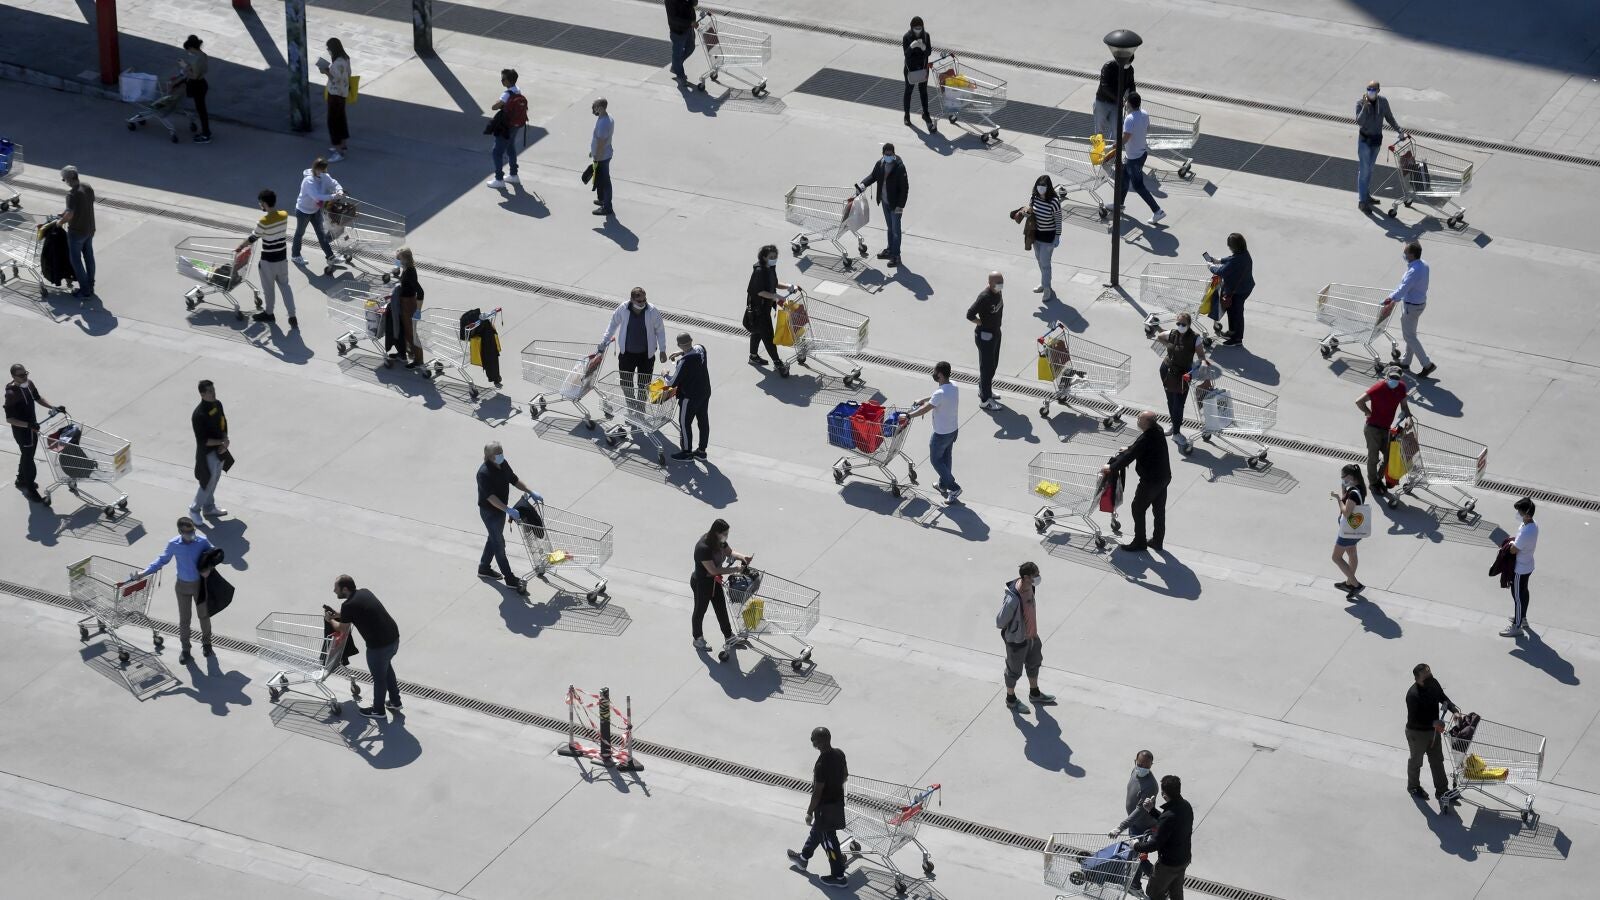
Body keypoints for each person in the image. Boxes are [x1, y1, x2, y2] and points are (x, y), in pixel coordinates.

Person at [135, 517, 218, 665]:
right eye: (187, 532)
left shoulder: (202, 541)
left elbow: (216, 555)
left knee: (203, 616)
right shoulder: (174, 544)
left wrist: (209, 569)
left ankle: (207, 644)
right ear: (180, 531)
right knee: (184, 619)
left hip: (199, 586)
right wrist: (144, 573)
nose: (191, 534)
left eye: (192, 531)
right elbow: (162, 560)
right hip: (182, 587)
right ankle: (185, 649)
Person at [326, 575, 401, 719]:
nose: (334, 591)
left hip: (379, 647)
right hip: (393, 639)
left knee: (379, 679)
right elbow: (354, 612)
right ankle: (395, 701)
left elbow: (343, 629)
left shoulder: (348, 605)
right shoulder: (364, 592)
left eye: (336, 588)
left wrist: (330, 620)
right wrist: (337, 615)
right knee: (386, 670)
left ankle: (378, 710)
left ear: (345, 589)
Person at [788, 726, 850, 887]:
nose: (812, 743)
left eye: (813, 740)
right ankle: (803, 859)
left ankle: (839, 877)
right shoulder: (839, 753)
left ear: (819, 742)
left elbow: (817, 792)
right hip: (837, 803)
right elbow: (845, 775)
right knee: (817, 831)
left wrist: (809, 812)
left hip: (825, 809)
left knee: (830, 842)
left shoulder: (821, 764)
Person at [1103, 411, 1170, 553]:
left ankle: (1140, 542)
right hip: (1163, 478)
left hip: (1151, 481)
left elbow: (1130, 456)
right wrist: (1129, 448)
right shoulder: (1157, 430)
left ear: (1147, 422)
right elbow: (1139, 448)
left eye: (1140, 418)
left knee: (1137, 508)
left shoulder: (1146, 438)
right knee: (1159, 511)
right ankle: (1157, 541)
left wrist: (1111, 468)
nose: (1137, 419)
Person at [996, 561, 1057, 714]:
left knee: (1034, 663)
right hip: (1017, 641)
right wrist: (1015, 630)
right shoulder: (1013, 599)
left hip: (1032, 636)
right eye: (1035, 575)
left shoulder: (1031, 587)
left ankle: (1034, 693)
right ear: (1026, 577)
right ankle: (1010, 699)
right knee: (1014, 671)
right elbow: (1000, 621)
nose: (1038, 577)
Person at [599, 287, 670, 415]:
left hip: (646, 356)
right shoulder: (623, 309)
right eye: (639, 301)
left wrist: (662, 350)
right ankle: (631, 405)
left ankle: (640, 409)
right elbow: (613, 324)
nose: (642, 303)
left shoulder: (652, 311)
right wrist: (604, 341)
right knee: (626, 383)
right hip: (627, 355)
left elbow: (660, 330)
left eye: (644, 300)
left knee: (644, 385)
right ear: (632, 300)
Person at [477, 441, 536, 588]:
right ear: (489, 456)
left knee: (493, 538)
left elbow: (514, 479)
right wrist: (508, 509)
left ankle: (484, 568)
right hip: (490, 513)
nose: (501, 455)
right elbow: (490, 497)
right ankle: (509, 578)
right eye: (498, 453)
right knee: (499, 544)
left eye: (501, 452)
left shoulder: (503, 464)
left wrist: (530, 491)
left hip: (501, 510)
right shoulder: (483, 473)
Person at [690, 518, 752, 651]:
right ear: (716, 532)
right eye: (724, 534)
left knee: (721, 609)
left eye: (727, 533)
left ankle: (729, 636)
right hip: (702, 583)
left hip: (714, 581)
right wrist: (735, 569)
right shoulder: (703, 548)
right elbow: (713, 570)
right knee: (700, 610)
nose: (726, 536)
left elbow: (730, 552)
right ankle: (697, 638)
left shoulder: (720, 541)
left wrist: (742, 557)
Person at [5, 364, 62, 504]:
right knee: (29, 458)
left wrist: (53, 407)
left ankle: (21, 479)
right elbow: (9, 419)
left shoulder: (29, 384)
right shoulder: (11, 394)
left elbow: (37, 397)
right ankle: (30, 488)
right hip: (22, 431)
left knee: (27, 454)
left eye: (25, 373)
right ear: (13, 377)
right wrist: (28, 425)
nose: (25, 377)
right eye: (21, 375)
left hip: (32, 428)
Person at [238, 189, 294, 328]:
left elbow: (253, 238)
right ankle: (292, 316)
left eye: (260, 203)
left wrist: (240, 247)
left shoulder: (263, 222)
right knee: (285, 287)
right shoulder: (284, 215)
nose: (260, 205)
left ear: (264, 203)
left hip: (268, 261)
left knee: (269, 289)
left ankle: (269, 313)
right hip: (282, 259)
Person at [1130, 775, 1193, 900]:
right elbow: (1170, 823)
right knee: (1176, 892)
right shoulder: (1186, 806)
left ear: (1164, 794)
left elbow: (1153, 845)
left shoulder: (1168, 816)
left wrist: (1136, 845)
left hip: (1168, 864)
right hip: (1183, 859)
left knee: (1154, 892)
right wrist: (1151, 810)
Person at [906, 361, 961, 503]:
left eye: (935, 372)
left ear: (940, 374)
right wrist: (923, 399)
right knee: (946, 458)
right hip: (952, 430)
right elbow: (935, 397)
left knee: (935, 460)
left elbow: (925, 409)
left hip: (941, 434)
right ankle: (943, 485)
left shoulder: (940, 393)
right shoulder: (953, 386)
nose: (934, 374)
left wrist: (908, 416)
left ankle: (954, 487)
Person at [1405, 663, 1460, 801]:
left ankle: (1442, 791)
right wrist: (1433, 723)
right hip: (1417, 733)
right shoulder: (1413, 695)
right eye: (1426, 675)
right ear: (1417, 679)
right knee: (1416, 761)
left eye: (1429, 673)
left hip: (1433, 731)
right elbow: (1415, 720)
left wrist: (1454, 710)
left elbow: (1442, 697)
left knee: (1437, 760)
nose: (1430, 676)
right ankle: (1413, 787)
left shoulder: (1433, 683)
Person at [1108, 750, 1159, 897]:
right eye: (1140, 764)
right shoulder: (1134, 771)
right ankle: (1134, 884)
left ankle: (1158, 882)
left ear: (1151, 765)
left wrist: (1120, 827)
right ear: (1135, 761)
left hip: (1144, 827)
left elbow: (1140, 810)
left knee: (1139, 858)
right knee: (1134, 857)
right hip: (1134, 824)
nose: (1142, 768)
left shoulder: (1151, 786)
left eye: (1146, 766)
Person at [1355, 366, 1411, 498]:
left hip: (1386, 429)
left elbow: (1404, 405)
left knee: (1389, 456)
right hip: (1372, 429)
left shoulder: (1401, 388)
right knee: (1373, 458)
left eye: (1397, 378)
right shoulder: (1379, 387)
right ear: (1387, 376)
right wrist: (1368, 412)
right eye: (1392, 377)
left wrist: (1408, 418)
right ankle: (1373, 483)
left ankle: (1379, 479)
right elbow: (1359, 401)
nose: (1394, 380)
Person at [1383, 241, 1434, 378]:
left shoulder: (1413, 271)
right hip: (1418, 304)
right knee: (1411, 335)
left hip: (1411, 307)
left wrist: (1390, 298)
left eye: (1405, 252)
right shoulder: (1423, 264)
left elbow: (1403, 288)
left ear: (1412, 254)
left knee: (1409, 336)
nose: (1404, 254)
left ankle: (1427, 364)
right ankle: (1406, 362)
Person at [1154, 313, 1206, 447]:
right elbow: (1159, 336)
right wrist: (1169, 345)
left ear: (1189, 324)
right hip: (1167, 370)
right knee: (1171, 400)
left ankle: (1176, 433)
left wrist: (1198, 366)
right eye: (1178, 323)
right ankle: (1174, 424)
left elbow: (1201, 356)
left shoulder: (1195, 338)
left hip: (1183, 374)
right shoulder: (1172, 333)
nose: (1180, 326)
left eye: (1183, 324)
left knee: (1179, 403)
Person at [1115, 93, 1165, 223]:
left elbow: (1126, 138)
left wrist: (1115, 145)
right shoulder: (1144, 114)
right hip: (1141, 154)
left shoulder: (1130, 119)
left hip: (1134, 159)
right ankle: (1119, 205)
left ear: (1129, 103)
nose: (1125, 103)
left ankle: (1157, 211)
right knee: (1124, 180)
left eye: (1126, 102)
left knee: (1138, 186)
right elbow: (1147, 129)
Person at [857, 143, 908, 268]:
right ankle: (890, 250)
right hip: (885, 202)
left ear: (894, 154)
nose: (888, 156)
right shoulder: (880, 164)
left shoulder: (899, 167)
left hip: (896, 205)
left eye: (890, 154)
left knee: (896, 231)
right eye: (886, 154)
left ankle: (896, 256)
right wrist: (863, 185)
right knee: (890, 228)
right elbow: (873, 176)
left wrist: (900, 206)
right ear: (883, 154)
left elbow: (905, 188)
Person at [1012, 175, 1061, 304]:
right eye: (1039, 186)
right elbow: (1030, 211)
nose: (1040, 189)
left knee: (1045, 263)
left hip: (1048, 238)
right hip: (1035, 236)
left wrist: (1057, 237)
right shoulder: (1034, 197)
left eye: (1043, 186)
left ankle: (1047, 288)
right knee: (1040, 260)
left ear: (1048, 187)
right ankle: (1044, 283)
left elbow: (1058, 220)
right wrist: (1026, 213)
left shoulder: (1054, 202)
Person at [745, 245, 793, 375]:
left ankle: (753, 356)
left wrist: (788, 286)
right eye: (771, 257)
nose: (774, 259)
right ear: (764, 257)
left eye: (775, 256)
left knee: (757, 332)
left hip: (764, 308)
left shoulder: (770, 267)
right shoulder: (759, 271)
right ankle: (778, 363)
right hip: (758, 310)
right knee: (768, 336)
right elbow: (760, 291)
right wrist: (776, 296)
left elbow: (774, 283)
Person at [1356, 81, 1402, 211]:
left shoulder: (1383, 102)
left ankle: (1366, 195)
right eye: (1368, 89)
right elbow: (1359, 122)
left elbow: (1390, 118)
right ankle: (1362, 201)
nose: (1370, 91)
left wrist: (1399, 130)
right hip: (1365, 141)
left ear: (1378, 91)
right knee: (1364, 171)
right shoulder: (1360, 103)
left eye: (1373, 89)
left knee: (1370, 170)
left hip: (1376, 141)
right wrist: (1365, 107)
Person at [665, 332, 711, 461]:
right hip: (704, 392)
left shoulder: (684, 362)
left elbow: (672, 383)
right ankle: (701, 451)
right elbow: (695, 348)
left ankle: (686, 452)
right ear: (691, 340)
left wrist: (665, 374)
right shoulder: (701, 350)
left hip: (689, 397)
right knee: (703, 421)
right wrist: (681, 352)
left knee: (685, 423)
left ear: (679, 344)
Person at [291, 158, 342, 267]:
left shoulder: (324, 176)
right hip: (303, 211)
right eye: (319, 169)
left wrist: (339, 190)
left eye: (323, 170)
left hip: (315, 211)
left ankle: (330, 257)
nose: (321, 172)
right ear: (314, 168)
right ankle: (295, 255)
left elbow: (334, 183)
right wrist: (333, 196)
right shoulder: (308, 181)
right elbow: (317, 197)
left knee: (321, 234)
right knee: (300, 233)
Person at [1202, 233, 1253, 345]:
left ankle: (1237, 339)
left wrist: (1211, 266)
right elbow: (1231, 259)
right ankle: (1232, 332)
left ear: (1234, 247)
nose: (1229, 248)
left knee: (1236, 313)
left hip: (1238, 292)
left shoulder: (1235, 261)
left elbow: (1221, 271)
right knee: (1232, 310)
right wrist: (1218, 260)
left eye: (1230, 246)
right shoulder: (1244, 253)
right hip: (1245, 287)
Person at [190, 379, 229, 520]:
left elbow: (223, 422)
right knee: (207, 481)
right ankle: (194, 509)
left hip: (220, 449)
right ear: (202, 394)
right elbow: (203, 441)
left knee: (215, 479)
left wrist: (225, 439)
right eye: (210, 391)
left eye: (213, 390)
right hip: (207, 453)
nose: (213, 393)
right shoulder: (198, 415)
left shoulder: (217, 404)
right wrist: (221, 442)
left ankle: (208, 508)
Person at [967, 272, 1004, 410]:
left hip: (996, 332)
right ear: (990, 283)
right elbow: (970, 314)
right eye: (998, 282)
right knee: (986, 368)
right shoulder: (984, 297)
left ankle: (984, 389)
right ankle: (985, 400)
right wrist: (981, 323)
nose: (1001, 284)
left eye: (1001, 281)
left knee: (993, 364)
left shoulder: (998, 292)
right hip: (985, 336)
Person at [1501, 497, 1538, 637]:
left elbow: (1513, 550)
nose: (1518, 514)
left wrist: (1510, 544)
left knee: (1517, 597)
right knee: (1524, 591)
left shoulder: (1526, 532)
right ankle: (1522, 618)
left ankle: (1516, 626)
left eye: (1520, 512)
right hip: (1528, 565)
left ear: (1527, 515)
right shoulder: (1533, 525)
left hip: (1519, 569)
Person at [1330, 463, 1369, 596]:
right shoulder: (1359, 489)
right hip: (1354, 530)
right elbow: (1349, 503)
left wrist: (1338, 499)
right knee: (1352, 553)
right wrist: (1343, 491)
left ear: (1351, 476)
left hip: (1347, 532)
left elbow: (1346, 512)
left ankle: (1356, 585)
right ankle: (1348, 583)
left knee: (1336, 557)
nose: (1342, 479)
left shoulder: (1353, 494)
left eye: (1343, 476)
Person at [58, 166, 96, 299]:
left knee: (76, 261)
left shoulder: (71, 194)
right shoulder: (87, 187)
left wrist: (60, 222)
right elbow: (84, 204)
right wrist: (63, 213)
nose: (64, 181)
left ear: (69, 179)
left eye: (64, 179)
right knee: (89, 257)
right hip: (90, 229)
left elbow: (70, 214)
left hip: (77, 232)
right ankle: (90, 285)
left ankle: (85, 291)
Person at [486, 69, 526, 189]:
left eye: (503, 79)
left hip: (506, 126)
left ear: (509, 81)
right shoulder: (517, 90)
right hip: (516, 124)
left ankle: (499, 179)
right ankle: (513, 175)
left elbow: (494, 107)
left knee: (496, 152)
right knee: (510, 147)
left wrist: (501, 103)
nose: (501, 81)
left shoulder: (506, 94)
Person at [317, 39, 353, 162]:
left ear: (333, 49)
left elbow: (335, 79)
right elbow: (348, 74)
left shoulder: (337, 63)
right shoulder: (346, 58)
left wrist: (325, 72)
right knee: (341, 120)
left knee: (333, 122)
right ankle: (343, 145)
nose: (328, 51)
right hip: (343, 93)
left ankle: (338, 151)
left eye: (328, 48)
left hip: (335, 95)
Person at [901, 16, 935, 132]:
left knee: (923, 91)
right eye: (916, 28)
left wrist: (923, 47)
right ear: (912, 27)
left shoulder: (926, 35)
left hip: (923, 68)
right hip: (910, 69)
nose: (918, 30)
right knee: (908, 91)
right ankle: (906, 115)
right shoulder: (906, 37)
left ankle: (926, 113)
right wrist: (912, 46)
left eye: (920, 28)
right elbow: (906, 54)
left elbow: (928, 52)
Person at [395, 247, 426, 370]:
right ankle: (410, 353)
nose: (397, 260)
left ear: (406, 259)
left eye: (399, 258)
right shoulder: (406, 269)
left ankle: (419, 360)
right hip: (404, 303)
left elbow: (420, 291)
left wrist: (418, 310)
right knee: (406, 332)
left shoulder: (410, 272)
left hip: (409, 304)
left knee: (412, 333)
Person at [1094, 52, 1136, 142]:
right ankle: (1098, 148)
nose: (1128, 65)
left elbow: (1131, 84)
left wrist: (1132, 97)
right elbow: (1104, 86)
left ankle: (1113, 149)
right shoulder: (1108, 66)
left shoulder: (1130, 69)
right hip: (1103, 101)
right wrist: (1119, 99)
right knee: (1099, 130)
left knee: (1117, 130)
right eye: (1127, 62)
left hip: (1117, 104)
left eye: (1129, 63)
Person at [181, 35, 212, 144]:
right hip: (203, 83)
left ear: (191, 48)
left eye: (188, 50)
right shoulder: (203, 55)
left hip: (197, 85)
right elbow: (203, 70)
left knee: (201, 111)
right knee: (202, 110)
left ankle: (206, 135)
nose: (188, 52)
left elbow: (194, 76)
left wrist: (185, 68)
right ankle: (206, 132)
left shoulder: (195, 59)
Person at [590, 98, 615, 217]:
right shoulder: (607, 117)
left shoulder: (604, 123)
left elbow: (601, 142)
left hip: (602, 156)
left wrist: (596, 156)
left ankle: (607, 207)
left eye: (595, 107)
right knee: (602, 180)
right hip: (604, 153)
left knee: (605, 182)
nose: (593, 109)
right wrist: (592, 151)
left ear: (600, 108)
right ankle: (603, 200)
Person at [665, 0, 699, 82]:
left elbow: (694, 3)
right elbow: (673, 19)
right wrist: (690, 23)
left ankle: (675, 66)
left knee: (690, 48)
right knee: (677, 54)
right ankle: (680, 76)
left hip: (689, 28)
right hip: (678, 31)